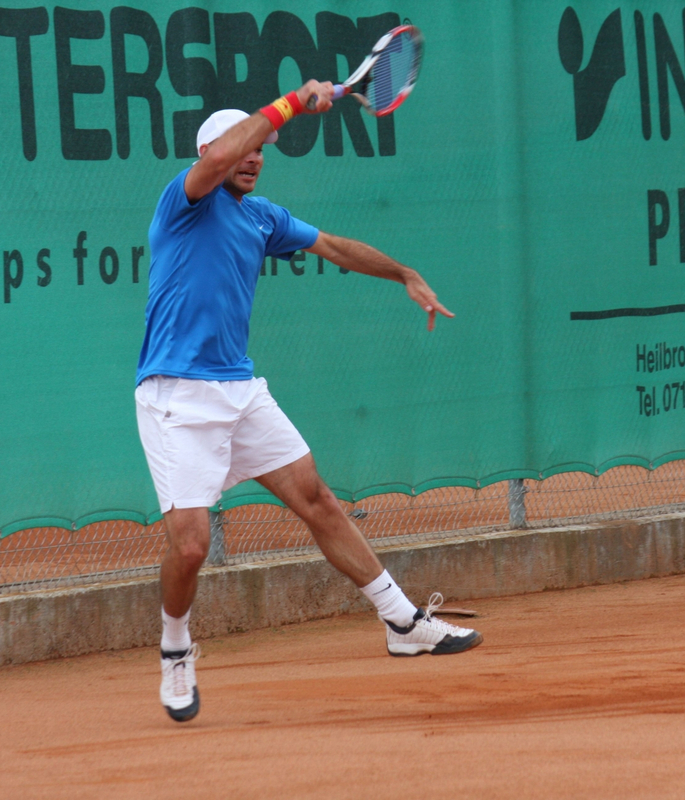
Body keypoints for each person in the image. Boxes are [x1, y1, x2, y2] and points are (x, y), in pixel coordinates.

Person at [135, 81, 482, 722]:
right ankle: (176, 648)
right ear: (207, 152)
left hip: (239, 389)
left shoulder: (261, 217)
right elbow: (222, 156)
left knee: (316, 498)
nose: (254, 156)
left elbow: (334, 247)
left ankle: (402, 622)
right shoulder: (183, 201)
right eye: (243, 146)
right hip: (176, 394)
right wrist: (293, 102)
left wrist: (403, 273)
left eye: (261, 148)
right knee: (190, 547)